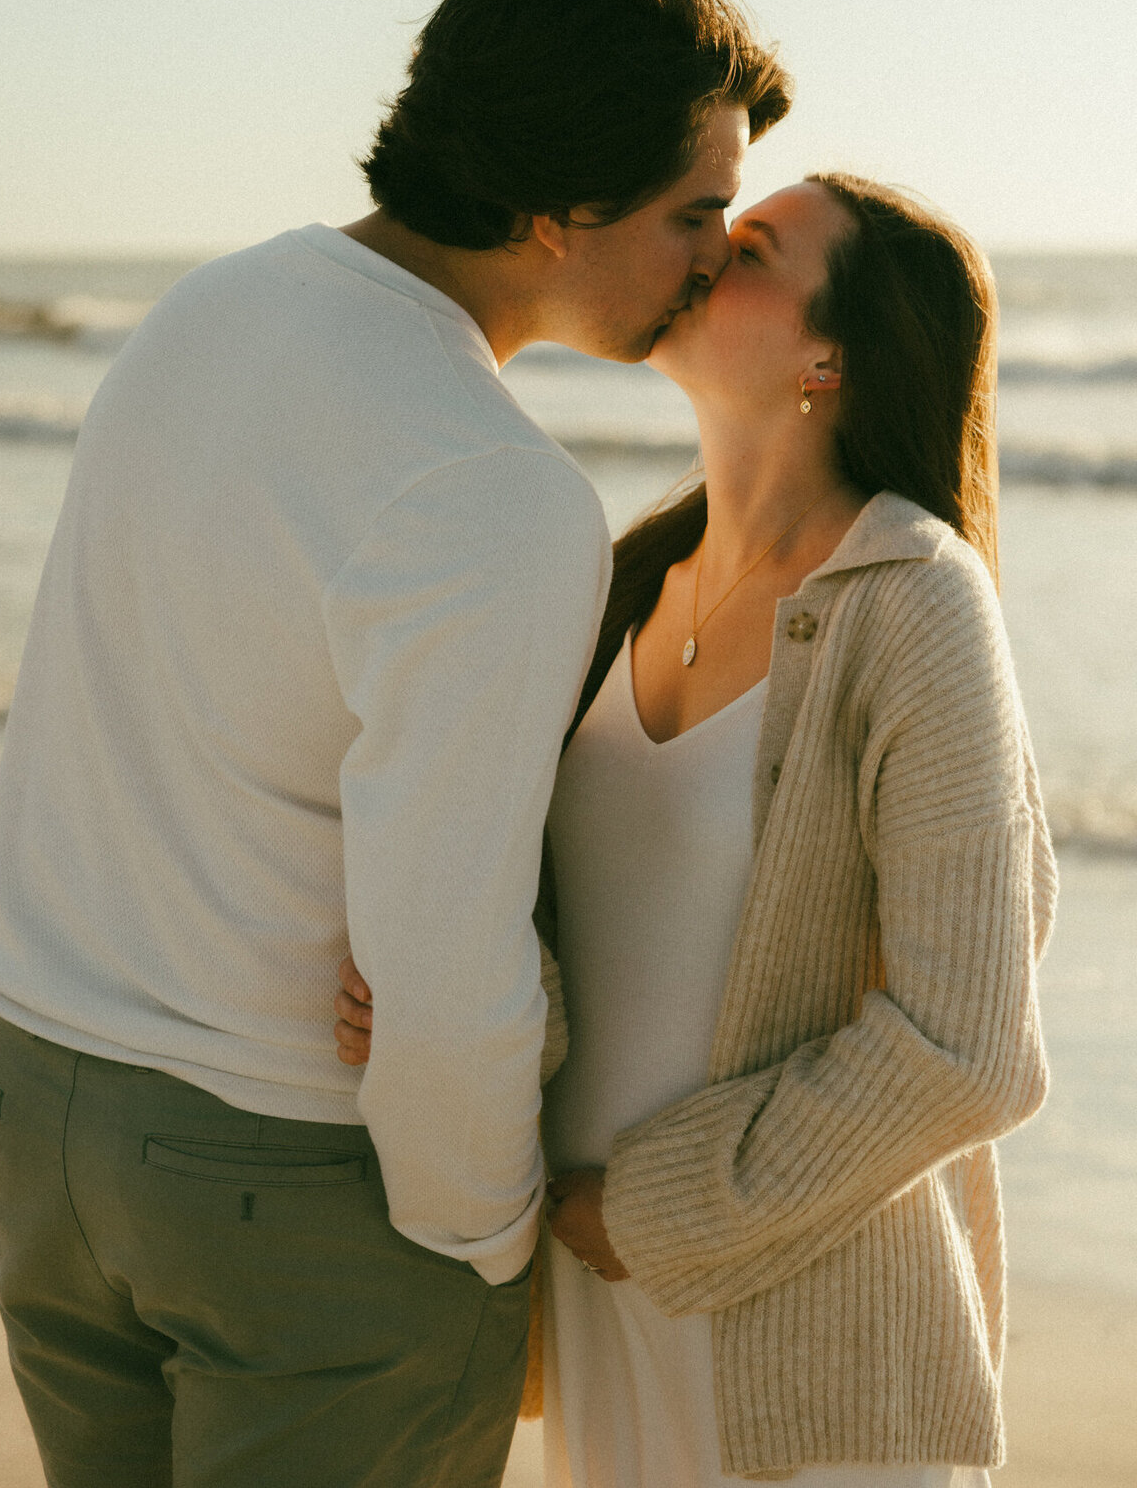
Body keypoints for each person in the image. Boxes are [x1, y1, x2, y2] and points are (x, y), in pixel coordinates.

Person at [0, 0, 791, 1488]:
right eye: (699, 211)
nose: (720, 254)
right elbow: (443, 954)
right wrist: (481, 1240)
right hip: (285, 1184)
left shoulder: (210, 310)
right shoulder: (492, 493)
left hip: (37, 1104)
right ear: (557, 210)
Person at [338, 173, 1058, 1486]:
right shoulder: (613, 583)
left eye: (755, 249)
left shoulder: (914, 607)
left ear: (830, 352)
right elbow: (567, 928)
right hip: (604, 1305)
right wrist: (449, 1003)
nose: (704, 254)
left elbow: (971, 1046)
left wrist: (661, 1212)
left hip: (811, 1349)